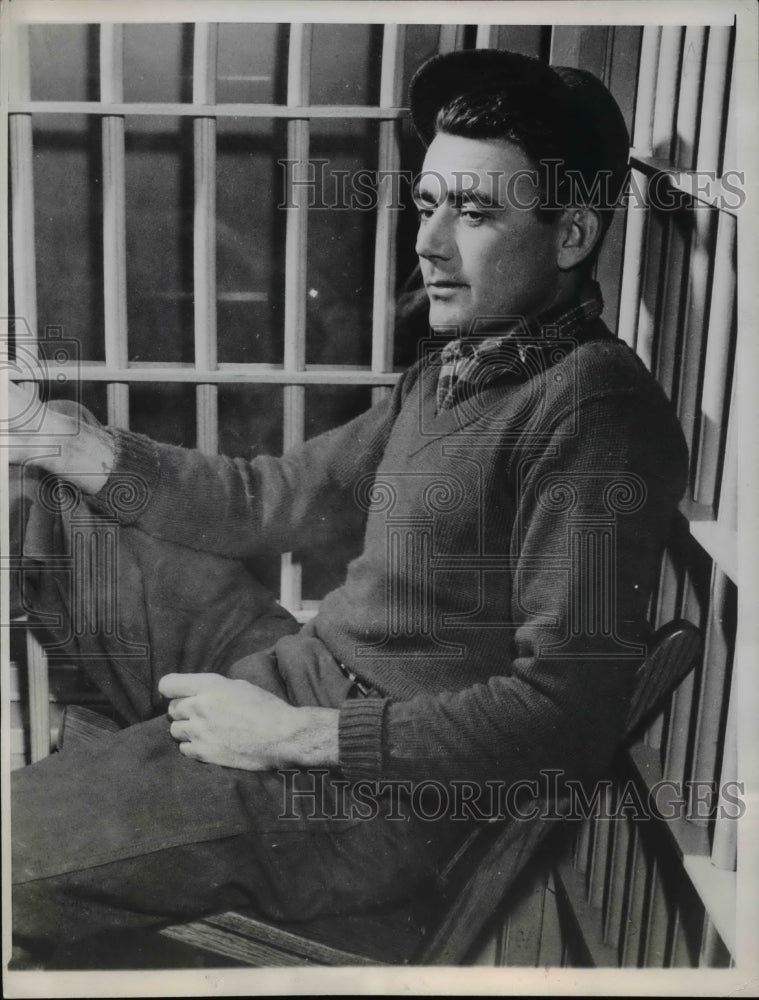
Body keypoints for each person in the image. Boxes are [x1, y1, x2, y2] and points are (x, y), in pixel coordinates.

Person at [8, 48, 688, 965]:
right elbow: (270, 502)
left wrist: (290, 736)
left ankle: (106, 810)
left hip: (357, 800)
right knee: (50, 504)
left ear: (570, 235)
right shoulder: (458, 367)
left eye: (476, 212)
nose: (429, 241)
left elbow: (559, 714)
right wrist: (64, 435)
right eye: (429, 202)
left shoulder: (594, 407)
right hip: (300, 673)